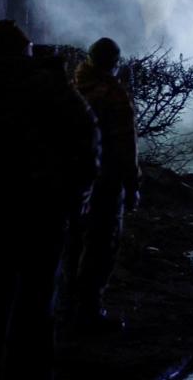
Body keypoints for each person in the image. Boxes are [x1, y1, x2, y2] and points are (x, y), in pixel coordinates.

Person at [0, 20, 99, 379]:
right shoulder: (53, 86)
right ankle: (32, 368)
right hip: (45, 206)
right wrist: (77, 192)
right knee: (39, 293)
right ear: (25, 47)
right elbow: (87, 138)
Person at [70, 37, 140, 331]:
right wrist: (132, 184)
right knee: (102, 245)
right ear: (113, 62)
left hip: (72, 180)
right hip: (106, 180)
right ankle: (88, 310)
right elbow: (125, 144)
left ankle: (65, 305)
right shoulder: (112, 94)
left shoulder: (73, 88)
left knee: (72, 243)